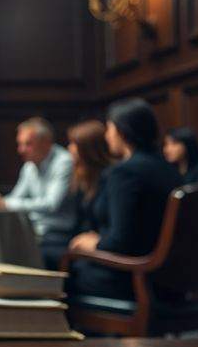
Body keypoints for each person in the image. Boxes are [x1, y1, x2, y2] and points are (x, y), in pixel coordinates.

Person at [67, 98, 182, 299]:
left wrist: (90, 242)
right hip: (168, 280)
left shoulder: (124, 172)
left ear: (121, 131)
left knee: (59, 270)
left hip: (130, 279)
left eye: (109, 129)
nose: (107, 136)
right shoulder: (170, 169)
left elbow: (119, 242)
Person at [0, 117, 76, 259]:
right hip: (34, 229)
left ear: (46, 143)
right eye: (20, 144)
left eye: (28, 144)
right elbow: (16, 198)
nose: (21, 150)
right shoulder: (29, 165)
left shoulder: (64, 161)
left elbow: (51, 204)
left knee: (8, 250)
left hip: (57, 233)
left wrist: (4, 203)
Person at [37, 120, 112, 270]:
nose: (69, 149)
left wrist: (94, 239)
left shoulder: (107, 178)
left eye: (73, 144)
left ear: (87, 149)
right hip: (79, 236)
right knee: (40, 245)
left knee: (46, 252)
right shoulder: (82, 176)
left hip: (98, 243)